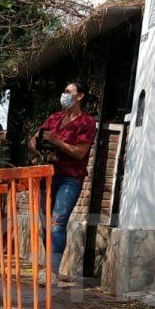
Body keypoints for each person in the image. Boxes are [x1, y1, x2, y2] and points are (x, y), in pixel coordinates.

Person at [29, 81, 97, 285]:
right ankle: (48, 266)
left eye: (68, 92)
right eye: (64, 91)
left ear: (80, 96)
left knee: (57, 222)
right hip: (47, 175)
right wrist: (39, 145)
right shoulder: (54, 118)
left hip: (70, 177)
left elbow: (80, 152)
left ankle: (52, 272)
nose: (64, 95)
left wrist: (57, 143)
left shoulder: (86, 122)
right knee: (44, 225)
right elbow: (33, 140)